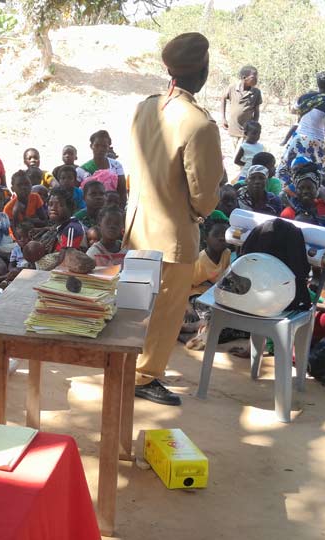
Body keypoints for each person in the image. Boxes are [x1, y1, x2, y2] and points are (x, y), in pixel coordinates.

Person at [123, 33, 222, 406]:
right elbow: (205, 193)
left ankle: (124, 365)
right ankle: (145, 376)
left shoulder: (145, 108)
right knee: (165, 312)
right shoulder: (199, 124)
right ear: (203, 69)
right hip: (174, 235)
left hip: (137, 226)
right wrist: (198, 213)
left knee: (132, 307)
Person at [278, 71, 325, 185]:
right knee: (312, 177)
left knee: (288, 172)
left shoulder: (305, 98)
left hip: (298, 139)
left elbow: (293, 110)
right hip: (315, 144)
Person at [80, 129, 127, 200]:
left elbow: (122, 191)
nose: (100, 149)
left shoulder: (116, 165)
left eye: (104, 146)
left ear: (108, 147)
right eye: (97, 145)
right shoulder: (82, 170)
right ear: (91, 146)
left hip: (112, 207)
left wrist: (120, 209)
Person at [221, 65, 261, 145]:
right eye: (253, 77)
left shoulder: (256, 92)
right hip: (233, 128)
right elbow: (223, 99)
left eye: (257, 76)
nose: (256, 79)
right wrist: (223, 118)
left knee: (243, 152)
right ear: (244, 77)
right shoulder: (232, 88)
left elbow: (256, 111)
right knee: (235, 150)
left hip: (247, 130)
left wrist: (254, 125)